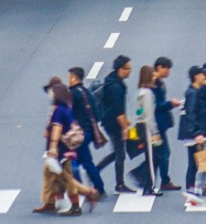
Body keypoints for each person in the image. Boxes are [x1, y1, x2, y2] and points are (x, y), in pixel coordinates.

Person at [33, 80, 89, 215]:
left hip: (60, 150)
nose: (50, 95)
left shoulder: (58, 110)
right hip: (67, 149)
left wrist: (52, 148)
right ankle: (52, 202)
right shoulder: (67, 109)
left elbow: (57, 129)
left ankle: (77, 204)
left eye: (52, 92)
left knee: (66, 178)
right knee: (54, 176)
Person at [180, 62, 206, 203]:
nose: (204, 76)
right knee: (196, 163)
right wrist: (197, 133)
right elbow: (190, 114)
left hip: (201, 133)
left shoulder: (197, 91)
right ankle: (192, 191)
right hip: (195, 134)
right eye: (201, 74)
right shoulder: (192, 93)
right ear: (196, 77)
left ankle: (200, 191)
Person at [66, 67, 108, 196]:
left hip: (79, 133)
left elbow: (68, 114)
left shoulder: (72, 94)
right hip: (89, 131)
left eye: (69, 77)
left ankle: (86, 188)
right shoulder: (86, 92)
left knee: (76, 161)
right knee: (83, 160)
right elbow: (95, 112)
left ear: (74, 78)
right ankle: (95, 187)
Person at [96, 55, 134, 193]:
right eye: (127, 69)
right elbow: (118, 111)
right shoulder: (116, 87)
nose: (130, 71)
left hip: (109, 121)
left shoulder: (111, 80)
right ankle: (119, 184)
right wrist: (124, 127)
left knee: (117, 152)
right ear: (120, 69)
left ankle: (96, 170)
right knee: (120, 154)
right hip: (113, 124)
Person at [129, 65, 162, 196]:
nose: (155, 77)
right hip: (146, 127)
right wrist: (155, 132)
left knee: (151, 156)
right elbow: (149, 115)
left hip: (140, 125)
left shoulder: (140, 92)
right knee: (151, 158)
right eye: (153, 75)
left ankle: (147, 183)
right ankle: (149, 186)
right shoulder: (148, 93)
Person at [151, 57, 181, 191]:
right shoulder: (154, 84)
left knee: (157, 153)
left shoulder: (157, 82)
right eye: (166, 68)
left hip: (158, 124)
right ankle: (162, 180)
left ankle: (154, 179)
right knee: (163, 153)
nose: (168, 72)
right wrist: (170, 104)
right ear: (159, 67)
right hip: (156, 125)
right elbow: (155, 105)